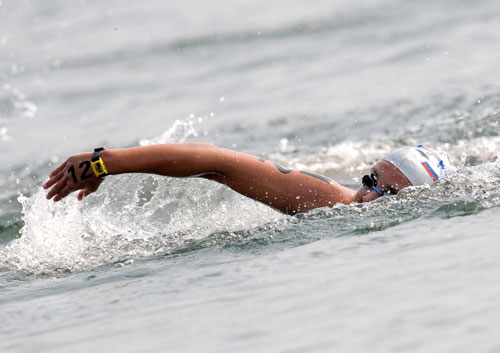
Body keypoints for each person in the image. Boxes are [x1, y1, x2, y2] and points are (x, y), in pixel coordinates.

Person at [43, 143, 450, 215]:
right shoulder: (333, 201)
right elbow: (218, 162)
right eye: (370, 179)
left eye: (388, 193)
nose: (367, 195)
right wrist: (105, 162)